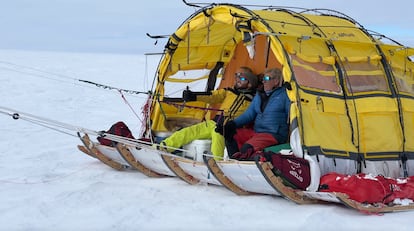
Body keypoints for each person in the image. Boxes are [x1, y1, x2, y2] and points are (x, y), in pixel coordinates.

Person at [159, 66, 259, 160]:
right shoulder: (228, 91)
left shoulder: (254, 99)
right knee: (188, 132)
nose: (237, 80)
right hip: (215, 122)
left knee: (217, 134)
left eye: (242, 78)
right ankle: (163, 147)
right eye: (236, 76)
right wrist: (193, 96)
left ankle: (216, 163)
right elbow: (212, 96)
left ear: (250, 83)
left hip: (229, 128)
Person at [223, 68, 290, 160]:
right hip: (257, 132)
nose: (263, 81)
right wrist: (232, 124)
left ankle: (245, 162)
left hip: (273, 134)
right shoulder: (259, 95)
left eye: (266, 79)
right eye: (263, 79)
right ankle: (235, 160)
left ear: (276, 81)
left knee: (247, 148)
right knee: (230, 134)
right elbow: (249, 115)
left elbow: (292, 116)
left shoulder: (284, 95)